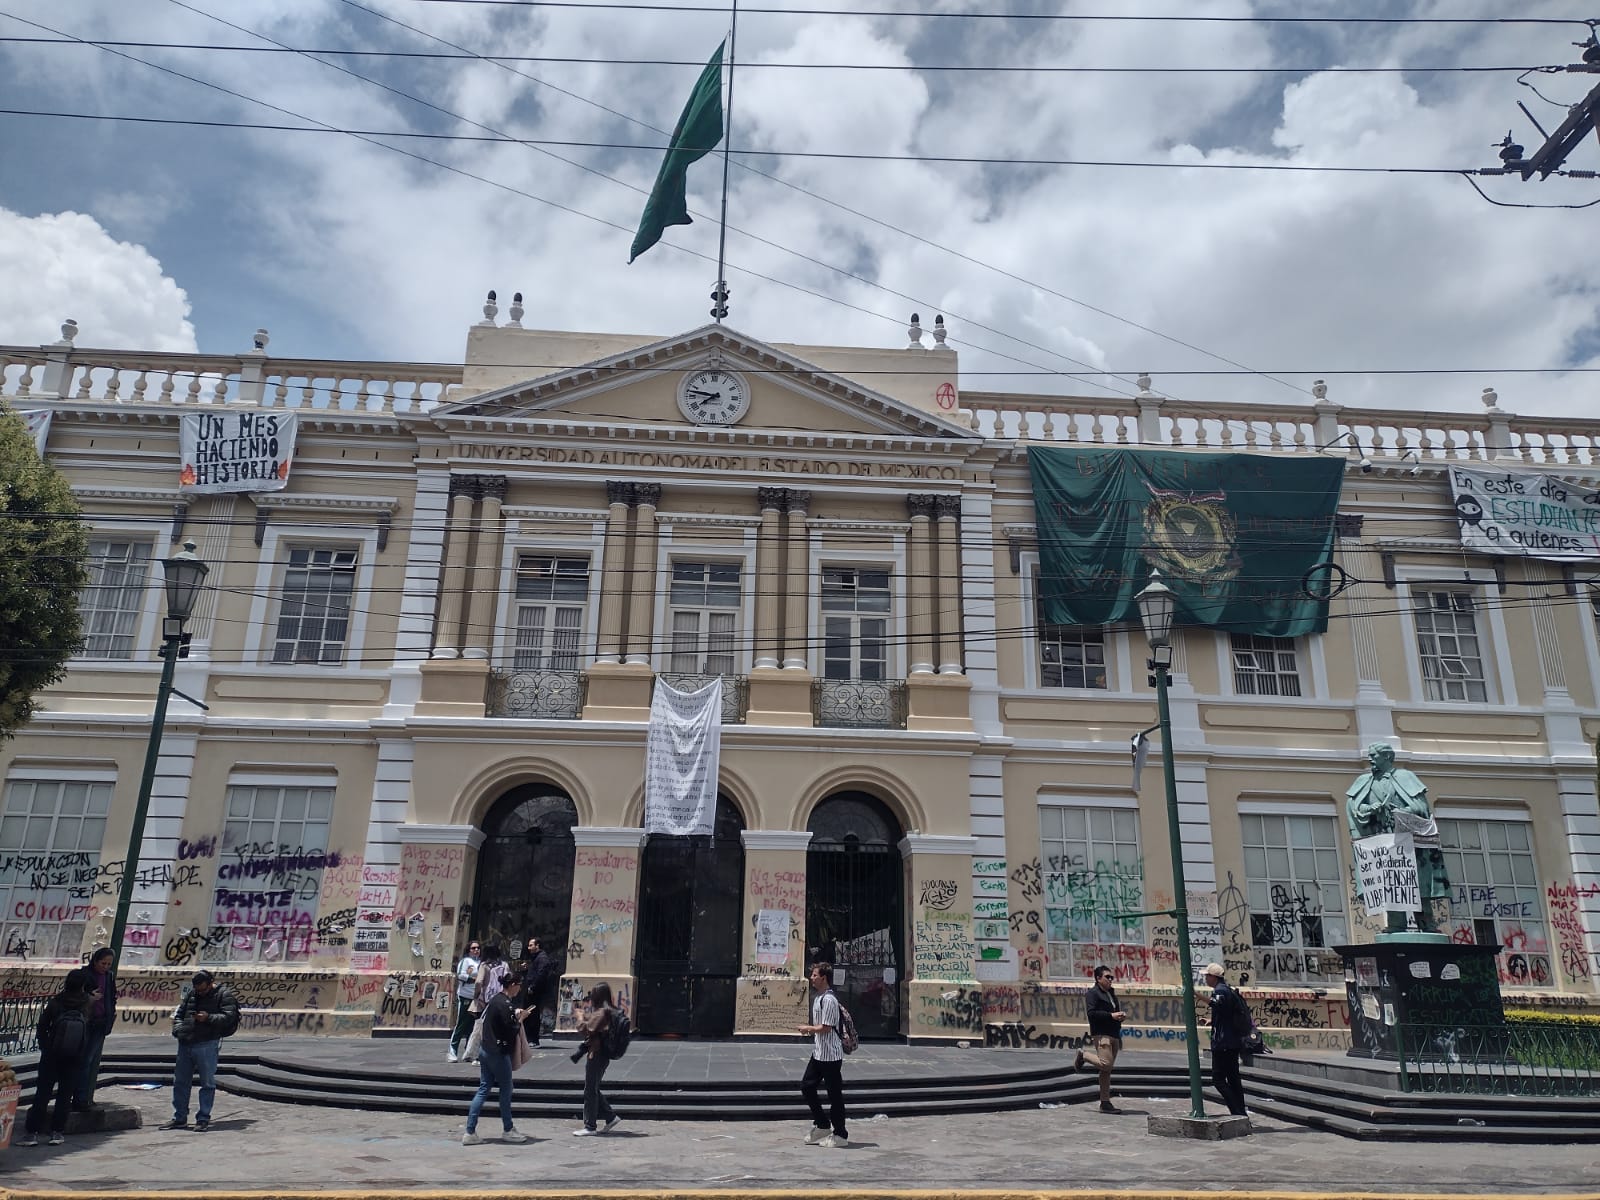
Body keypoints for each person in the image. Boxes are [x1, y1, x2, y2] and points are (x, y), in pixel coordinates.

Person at [1345, 742, 1450, 933]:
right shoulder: (1364, 781)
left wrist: (1399, 811)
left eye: (1374, 755)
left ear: (1386, 757)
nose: (1370, 759)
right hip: (1382, 841)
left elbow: (1420, 808)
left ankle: (1426, 923)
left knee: (1417, 883)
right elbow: (1355, 808)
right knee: (1389, 882)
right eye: (1369, 755)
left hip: (1409, 841)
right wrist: (1369, 810)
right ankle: (1395, 925)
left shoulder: (1405, 777)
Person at [17, 968, 96, 1147]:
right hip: (74, 1055)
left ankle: (32, 1133)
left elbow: (42, 1025)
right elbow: (88, 1026)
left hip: (52, 1053)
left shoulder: (56, 1002)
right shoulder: (87, 1003)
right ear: (83, 985)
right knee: (65, 1094)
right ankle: (57, 1132)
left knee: (42, 1093)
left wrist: (46, 1046)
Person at [164, 969, 241, 1131]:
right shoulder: (192, 994)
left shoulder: (223, 995)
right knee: (180, 1081)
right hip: (186, 1040)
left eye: (203, 989)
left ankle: (203, 1117)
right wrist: (178, 1029)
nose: (200, 992)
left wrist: (209, 1018)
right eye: (197, 989)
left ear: (211, 983)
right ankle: (180, 1117)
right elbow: (180, 1013)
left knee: (207, 1082)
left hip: (207, 1042)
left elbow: (229, 1017)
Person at [462, 970, 530, 1145]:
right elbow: (510, 1030)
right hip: (498, 1053)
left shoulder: (495, 1000)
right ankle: (508, 1129)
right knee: (506, 1089)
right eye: (519, 985)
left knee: (484, 1088)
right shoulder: (505, 1004)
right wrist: (521, 1018)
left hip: (486, 1050)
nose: (519, 989)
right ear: (513, 985)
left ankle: (470, 1130)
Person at [796, 961, 848, 1148]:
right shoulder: (818, 997)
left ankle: (840, 1134)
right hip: (818, 1053)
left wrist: (807, 1029)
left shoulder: (829, 1000)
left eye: (815, 975)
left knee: (834, 1095)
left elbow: (826, 1028)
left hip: (831, 1056)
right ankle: (822, 1124)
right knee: (807, 1086)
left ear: (824, 978)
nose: (812, 978)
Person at [570, 981, 622, 1136]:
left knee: (590, 1090)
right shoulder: (606, 1011)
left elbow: (587, 1029)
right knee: (592, 1087)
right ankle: (610, 1116)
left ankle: (590, 1126)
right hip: (600, 1053)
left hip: (597, 1054)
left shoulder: (602, 1012)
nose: (590, 998)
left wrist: (579, 1017)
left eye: (593, 994)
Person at [1073, 965, 1125, 1114]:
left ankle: (1105, 1102)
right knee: (1105, 1064)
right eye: (1107, 977)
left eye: (1111, 978)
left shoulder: (1111, 993)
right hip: (1102, 1034)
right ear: (1098, 978)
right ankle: (1083, 1055)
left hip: (1114, 1033)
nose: (1110, 980)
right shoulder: (1093, 994)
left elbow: (1113, 1013)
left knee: (1106, 1071)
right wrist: (1111, 1016)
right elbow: (1092, 1014)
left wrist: (1119, 1016)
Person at [74, 947, 117, 1111]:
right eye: (103, 963)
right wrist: (89, 998)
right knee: (83, 1061)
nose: (105, 967)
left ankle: (83, 1097)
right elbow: (73, 994)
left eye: (108, 964)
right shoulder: (85, 974)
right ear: (95, 961)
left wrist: (111, 1013)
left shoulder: (109, 976)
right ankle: (80, 1098)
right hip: (85, 1021)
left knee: (89, 1060)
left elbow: (111, 996)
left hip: (101, 1021)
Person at [1203, 963, 1248, 1118]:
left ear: (1214, 977)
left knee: (1218, 1079)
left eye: (1207, 976)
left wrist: (1195, 994)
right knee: (1234, 1078)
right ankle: (1240, 1111)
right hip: (1232, 1041)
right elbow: (1225, 1013)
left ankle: (1236, 1110)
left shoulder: (1220, 991)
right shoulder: (1228, 990)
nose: (1205, 978)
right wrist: (1212, 1020)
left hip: (1223, 1043)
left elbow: (1215, 1004)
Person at [463, 944, 508, 1063]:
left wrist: (476, 995)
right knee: (497, 1028)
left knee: (481, 1028)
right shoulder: (504, 965)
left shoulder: (484, 966)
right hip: (500, 1000)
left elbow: (478, 982)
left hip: (485, 1001)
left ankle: (478, 1055)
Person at [447, 940, 482, 1063]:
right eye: (473, 948)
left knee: (473, 1026)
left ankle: (469, 1051)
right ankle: (452, 1050)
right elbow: (460, 975)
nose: (476, 950)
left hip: (477, 997)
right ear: (468, 950)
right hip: (465, 996)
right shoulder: (465, 961)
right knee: (461, 1024)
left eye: (478, 948)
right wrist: (474, 979)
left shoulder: (481, 962)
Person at [521, 936, 552, 1049]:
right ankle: (528, 1038)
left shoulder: (542, 958)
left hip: (534, 991)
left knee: (532, 1014)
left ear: (537, 945)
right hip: (531, 989)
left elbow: (541, 975)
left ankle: (533, 1039)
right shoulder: (535, 958)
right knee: (528, 1014)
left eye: (531, 945)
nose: (529, 948)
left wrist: (532, 987)